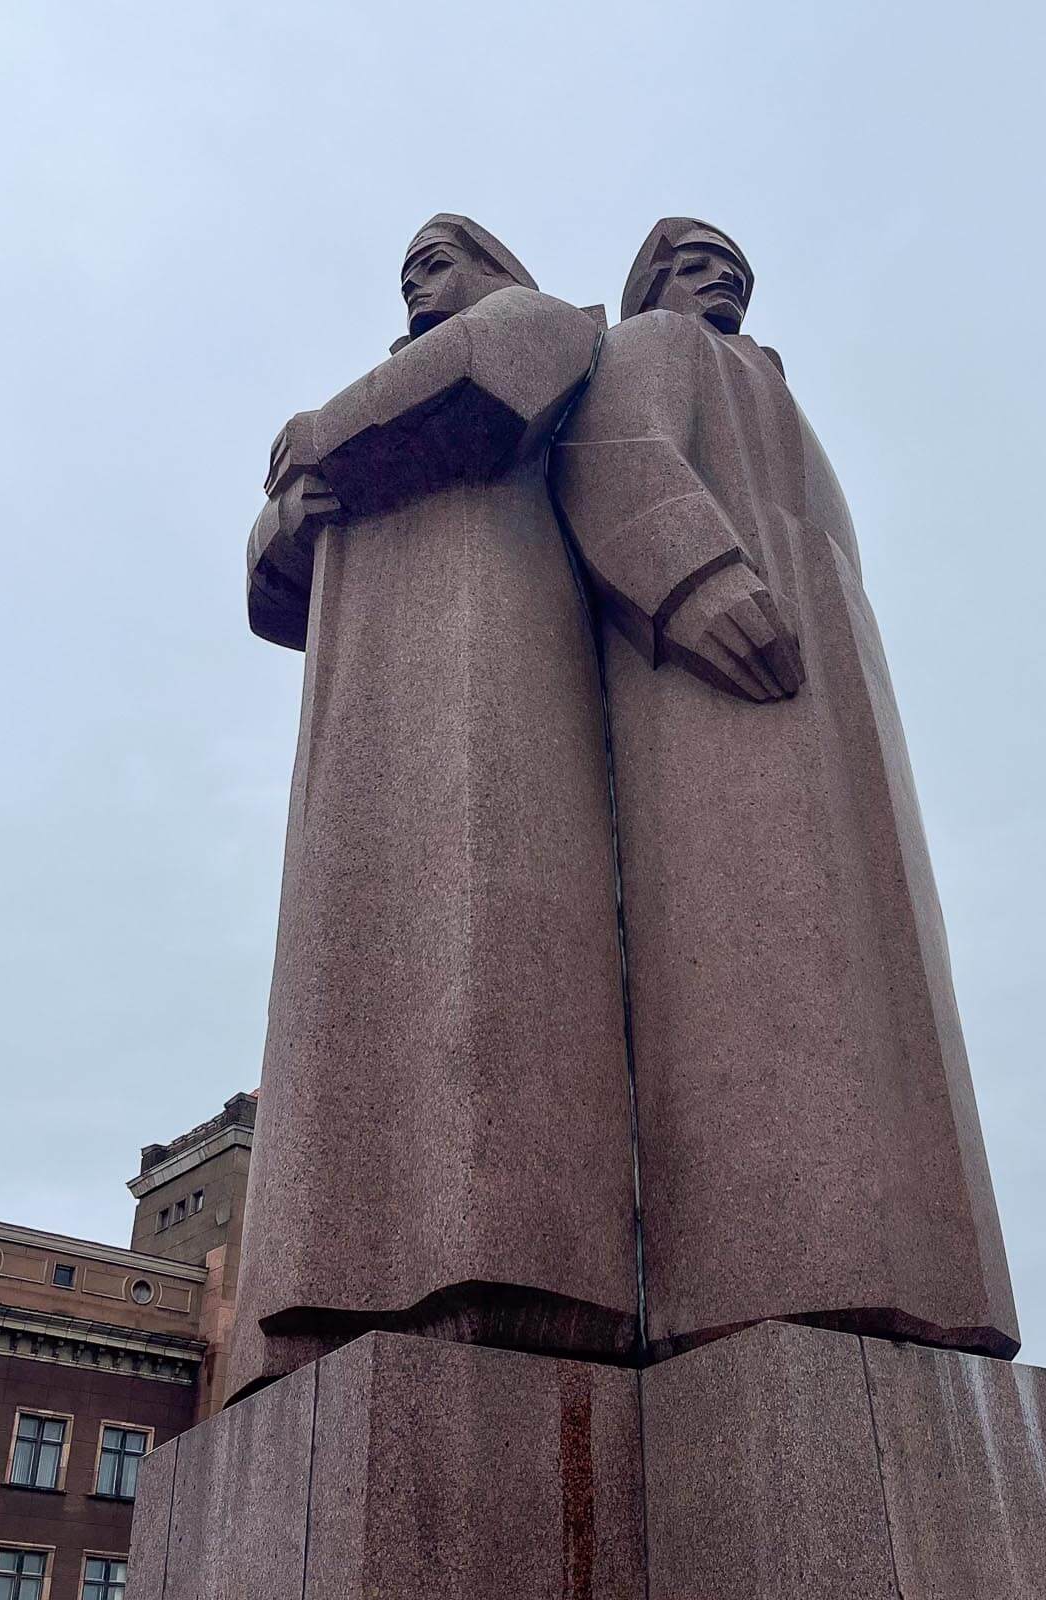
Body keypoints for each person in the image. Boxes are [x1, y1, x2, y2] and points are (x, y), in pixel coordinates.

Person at [549, 218, 1020, 1360]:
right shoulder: (657, 343)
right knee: (757, 936)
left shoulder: (764, 381)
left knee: (870, 964)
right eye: (696, 259)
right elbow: (610, 452)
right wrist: (694, 579)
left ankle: (916, 1275)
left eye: (736, 266)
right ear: (653, 280)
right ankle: (785, 1262)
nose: (721, 276)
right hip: (715, 677)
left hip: (825, 686)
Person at [228, 216, 635, 1401]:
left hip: (496, 656)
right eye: (406, 270)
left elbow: (488, 382)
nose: (418, 283)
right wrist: (294, 505)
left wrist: (319, 440)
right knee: (346, 973)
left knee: (488, 939)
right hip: (362, 714)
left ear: (495, 269)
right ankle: (329, 1281)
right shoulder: (380, 404)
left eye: (438, 261)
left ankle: (503, 1256)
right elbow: (268, 585)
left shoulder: (542, 323)